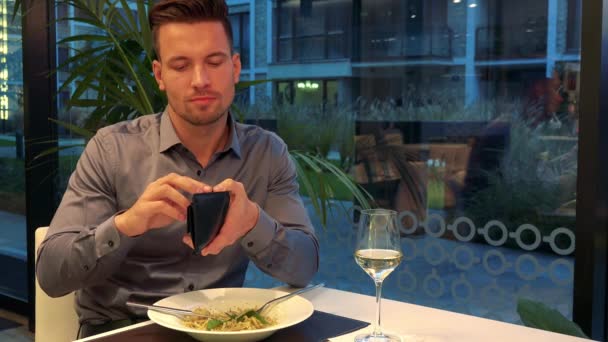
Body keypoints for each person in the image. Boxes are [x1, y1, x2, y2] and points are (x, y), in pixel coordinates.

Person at [35, 0, 319, 338]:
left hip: (224, 330)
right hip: (125, 330)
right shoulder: (111, 149)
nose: (200, 80)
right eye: (181, 66)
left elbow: (305, 268)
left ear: (235, 67)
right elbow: (52, 274)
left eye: (214, 62)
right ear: (159, 75)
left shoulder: (267, 153)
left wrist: (255, 223)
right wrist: (127, 225)